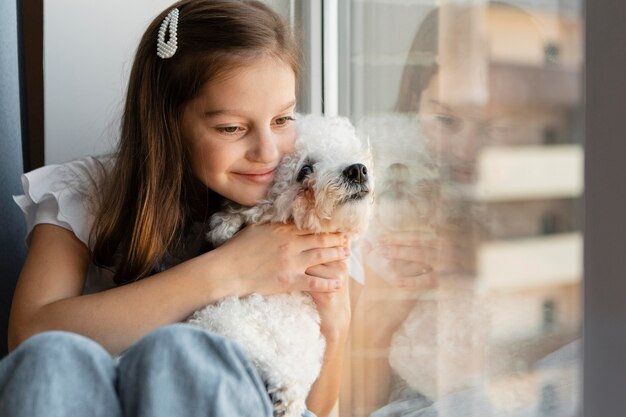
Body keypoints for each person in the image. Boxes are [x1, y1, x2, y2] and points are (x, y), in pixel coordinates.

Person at [0, 1, 360, 416]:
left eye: (282, 119)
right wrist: (230, 270)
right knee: (56, 359)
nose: (268, 152)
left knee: (180, 356)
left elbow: (316, 407)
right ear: (167, 121)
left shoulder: (302, 201)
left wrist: (336, 323)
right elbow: (30, 337)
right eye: (232, 128)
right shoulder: (89, 193)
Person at [352, 2, 581, 416]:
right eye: (445, 119)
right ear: (414, 103)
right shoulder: (375, 200)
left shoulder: (567, 202)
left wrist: (488, 263)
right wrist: (377, 310)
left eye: (498, 126)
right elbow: (351, 408)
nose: (466, 148)